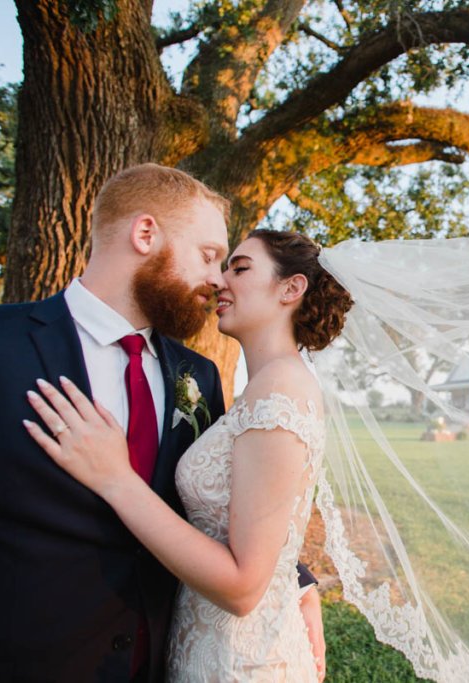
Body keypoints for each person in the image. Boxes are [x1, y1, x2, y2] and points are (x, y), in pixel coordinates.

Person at [0, 164, 322, 682]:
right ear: (145, 234)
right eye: (210, 256)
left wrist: (296, 582)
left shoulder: (198, 375)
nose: (217, 281)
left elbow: (230, 494)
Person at [25, 229, 352, 681]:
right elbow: (257, 518)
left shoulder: (281, 392)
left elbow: (242, 587)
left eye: (239, 268)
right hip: (200, 645)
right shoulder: (260, 387)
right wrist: (299, 581)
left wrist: (115, 478)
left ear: (291, 289)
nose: (219, 281)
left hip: (240, 661)